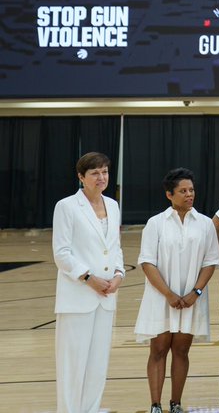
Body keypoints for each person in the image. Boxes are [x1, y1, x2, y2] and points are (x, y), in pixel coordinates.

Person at [134, 168, 219, 413]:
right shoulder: (155, 223)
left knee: (181, 350)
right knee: (159, 349)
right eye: (183, 191)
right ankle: (155, 405)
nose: (189, 194)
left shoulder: (205, 224)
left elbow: (210, 261)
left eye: (191, 190)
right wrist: (169, 294)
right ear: (169, 195)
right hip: (161, 297)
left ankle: (176, 403)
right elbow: (147, 262)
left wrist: (196, 293)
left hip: (191, 299)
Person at [52, 152, 125, 413]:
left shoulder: (113, 206)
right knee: (73, 364)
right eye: (94, 173)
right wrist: (88, 278)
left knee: (97, 364)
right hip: (78, 297)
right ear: (81, 177)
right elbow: (61, 253)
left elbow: (115, 247)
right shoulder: (67, 206)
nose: (101, 177)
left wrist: (118, 274)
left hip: (106, 298)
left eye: (105, 172)